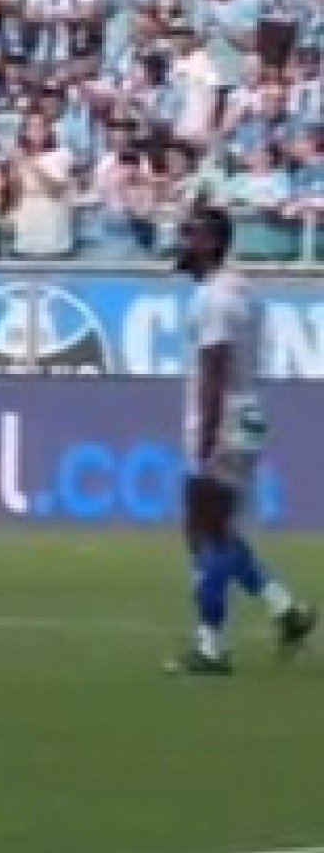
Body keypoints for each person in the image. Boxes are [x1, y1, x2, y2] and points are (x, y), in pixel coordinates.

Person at [170, 205, 315, 676]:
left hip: (224, 419)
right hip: (247, 414)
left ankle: (211, 645)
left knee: (205, 530)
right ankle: (284, 609)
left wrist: (207, 439)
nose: (181, 244)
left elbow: (214, 370)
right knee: (215, 527)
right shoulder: (243, 292)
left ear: (211, 243)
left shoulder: (213, 300)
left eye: (189, 236)